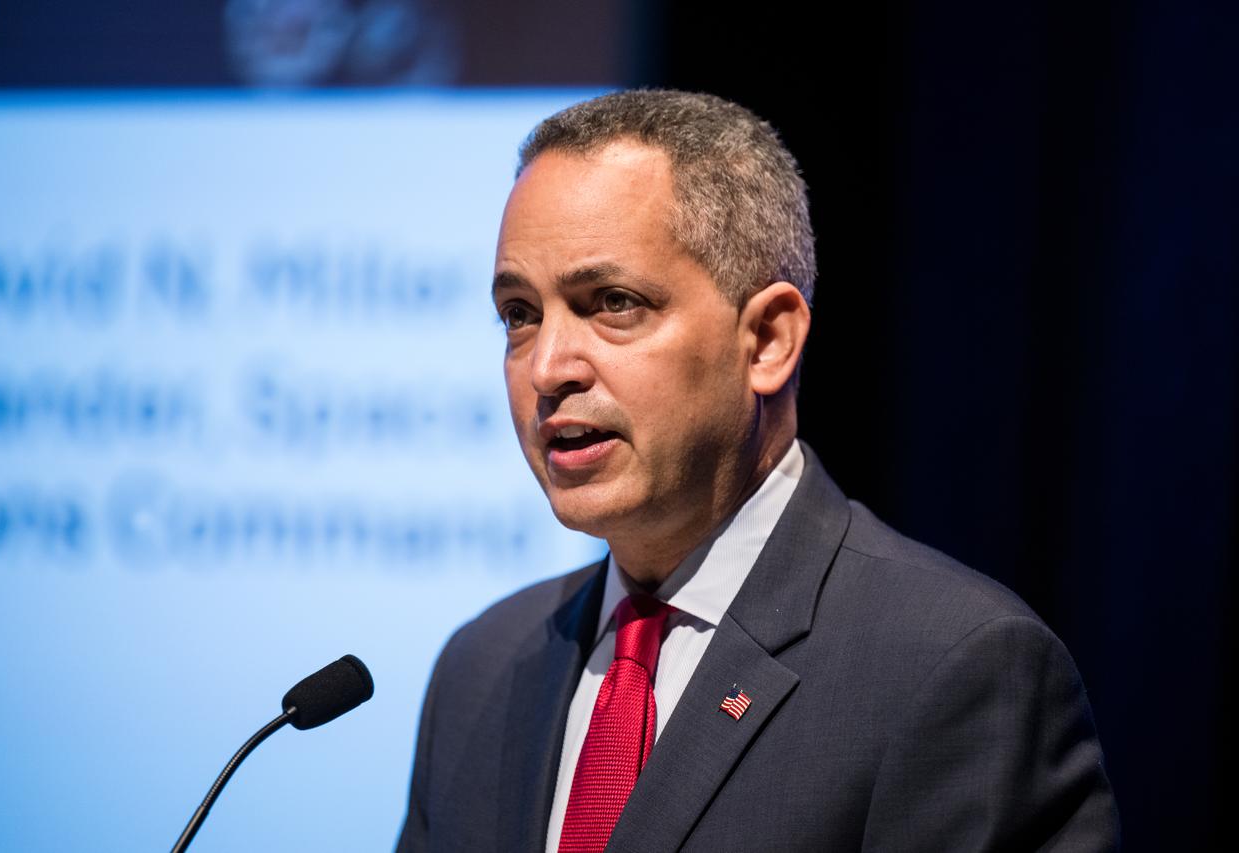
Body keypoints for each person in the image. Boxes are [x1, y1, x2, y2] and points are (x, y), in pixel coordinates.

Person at [397, 89, 1118, 852]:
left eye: (612, 302)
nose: (547, 368)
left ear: (768, 340)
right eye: (520, 314)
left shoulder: (954, 666)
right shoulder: (481, 668)